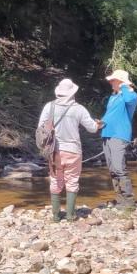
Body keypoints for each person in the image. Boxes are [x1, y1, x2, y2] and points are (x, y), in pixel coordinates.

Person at [37, 78, 101, 222]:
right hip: (73, 151)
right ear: (72, 93)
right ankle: (71, 215)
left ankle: (55, 216)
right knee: (72, 180)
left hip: (54, 151)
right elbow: (92, 128)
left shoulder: (49, 106)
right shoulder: (79, 109)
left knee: (55, 179)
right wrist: (98, 124)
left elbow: (40, 127)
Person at [101, 69, 137, 210]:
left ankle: (129, 202)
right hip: (107, 134)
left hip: (120, 135)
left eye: (113, 80)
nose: (110, 82)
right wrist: (101, 122)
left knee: (119, 168)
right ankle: (120, 200)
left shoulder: (131, 96)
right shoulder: (113, 97)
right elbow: (109, 114)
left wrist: (123, 85)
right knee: (112, 169)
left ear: (121, 81)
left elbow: (130, 99)